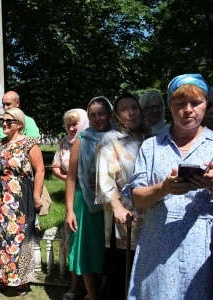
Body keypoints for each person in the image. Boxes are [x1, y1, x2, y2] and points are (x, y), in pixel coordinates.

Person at [125, 74, 213, 299]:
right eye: (180, 103)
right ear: (170, 106)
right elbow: (138, 198)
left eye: (196, 103)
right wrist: (164, 187)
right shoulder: (151, 147)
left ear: (206, 105)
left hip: (203, 248)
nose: (188, 110)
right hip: (158, 248)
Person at [0, 108, 44, 296]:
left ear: (20, 124)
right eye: (3, 121)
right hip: (0, 195)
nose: (5, 124)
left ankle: (21, 281)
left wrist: (37, 196)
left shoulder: (29, 143)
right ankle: (2, 277)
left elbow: (40, 170)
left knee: (20, 235)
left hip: (21, 194)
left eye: (9, 121)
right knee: (1, 235)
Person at [95, 93, 152, 300]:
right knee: (121, 275)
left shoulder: (150, 138)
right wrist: (117, 206)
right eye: (124, 109)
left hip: (151, 217)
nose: (131, 113)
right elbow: (104, 177)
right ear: (117, 116)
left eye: (134, 107)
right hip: (124, 220)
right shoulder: (111, 139)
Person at [64, 97, 113, 300]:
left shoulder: (119, 138)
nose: (97, 118)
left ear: (110, 114)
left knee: (106, 251)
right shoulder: (82, 140)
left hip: (112, 202)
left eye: (101, 113)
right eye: (92, 115)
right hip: (85, 202)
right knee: (88, 249)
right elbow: (71, 177)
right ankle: (93, 296)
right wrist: (69, 210)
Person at [52, 109, 89, 181]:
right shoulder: (65, 141)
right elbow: (55, 167)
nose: (71, 128)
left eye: (74, 124)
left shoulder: (93, 141)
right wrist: (69, 179)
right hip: (72, 188)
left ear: (83, 123)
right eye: (68, 125)